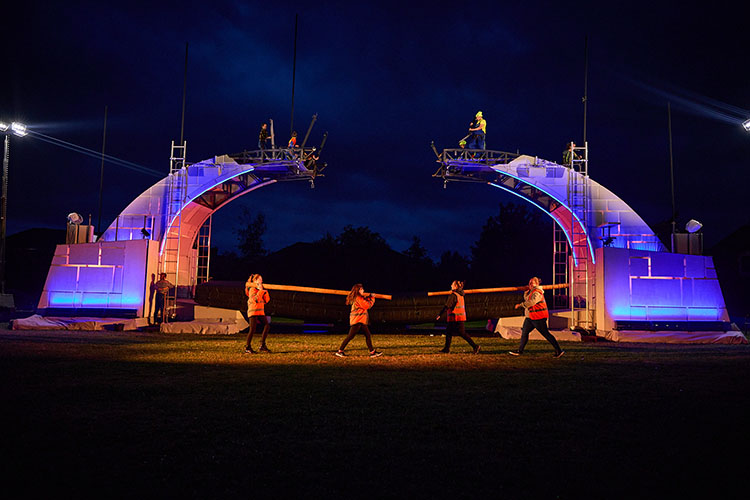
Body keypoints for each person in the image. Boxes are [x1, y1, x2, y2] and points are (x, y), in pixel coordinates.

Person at [509, 277, 564, 357]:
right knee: (524, 332)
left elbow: (532, 302)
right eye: (529, 282)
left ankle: (559, 351)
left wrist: (521, 305)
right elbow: (528, 299)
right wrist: (525, 293)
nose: (530, 284)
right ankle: (519, 351)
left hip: (538, 318)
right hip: (531, 317)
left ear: (537, 284)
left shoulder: (537, 292)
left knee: (546, 334)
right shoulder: (532, 291)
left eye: (532, 282)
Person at [335, 284, 383, 357]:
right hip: (357, 321)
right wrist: (372, 297)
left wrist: (369, 297)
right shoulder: (358, 298)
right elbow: (367, 305)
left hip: (360, 320)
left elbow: (365, 302)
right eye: (361, 289)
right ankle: (340, 351)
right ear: (358, 290)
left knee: (367, 335)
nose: (363, 290)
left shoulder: (359, 298)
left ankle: (372, 352)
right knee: (350, 336)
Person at [435, 280, 480, 354]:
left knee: (460, 333)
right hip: (459, 317)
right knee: (450, 332)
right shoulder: (460, 295)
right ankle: (446, 349)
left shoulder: (453, 295)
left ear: (455, 286)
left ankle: (475, 346)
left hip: (455, 317)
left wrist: (440, 314)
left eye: (452, 284)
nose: (450, 285)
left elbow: (447, 306)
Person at [244, 274, 271, 354]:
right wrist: (260, 291)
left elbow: (267, 300)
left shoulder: (261, 289)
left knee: (267, 326)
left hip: (260, 312)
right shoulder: (252, 289)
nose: (261, 281)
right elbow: (255, 299)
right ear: (255, 281)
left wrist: (264, 292)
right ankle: (247, 347)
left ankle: (262, 345)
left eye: (261, 279)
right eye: (259, 279)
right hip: (253, 311)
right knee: (252, 329)